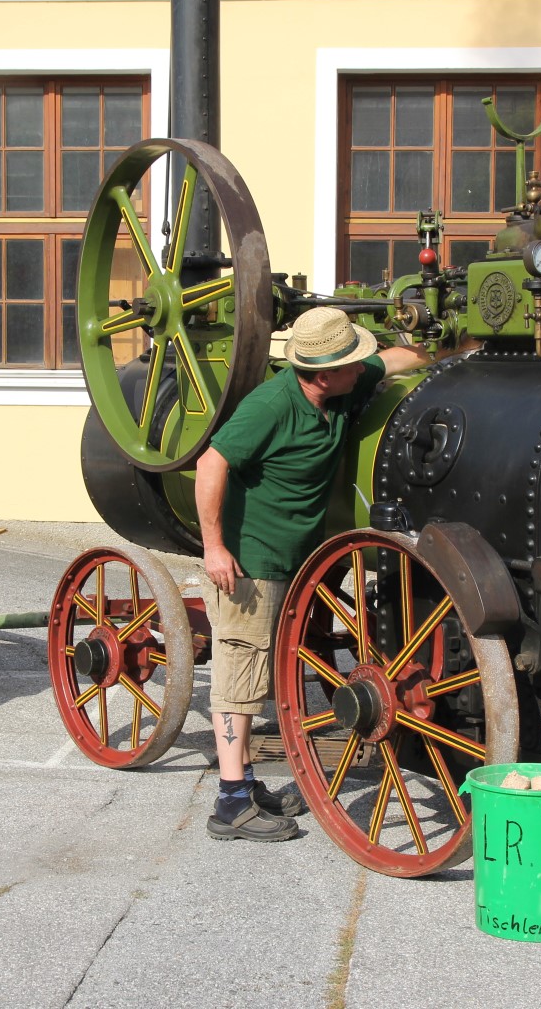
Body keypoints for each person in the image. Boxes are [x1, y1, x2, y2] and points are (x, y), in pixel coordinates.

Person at [196, 307, 431, 841]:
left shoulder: (340, 386)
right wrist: (215, 548)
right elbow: (212, 464)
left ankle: (248, 784)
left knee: (274, 670)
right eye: (350, 362)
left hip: (303, 561)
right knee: (240, 678)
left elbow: (391, 361)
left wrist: (449, 352)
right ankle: (231, 803)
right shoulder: (270, 406)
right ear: (321, 373)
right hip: (252, 564)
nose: (360, 366)